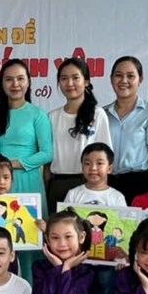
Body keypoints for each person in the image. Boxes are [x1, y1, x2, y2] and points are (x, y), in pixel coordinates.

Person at [63, 142, 125, 294]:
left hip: (106, 263)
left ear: (110, 168)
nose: (93, 168)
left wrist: (121, 258)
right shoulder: (74, 194)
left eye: (100, 163)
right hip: (79, 259)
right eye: (87, 163)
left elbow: (122, 231)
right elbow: (65, 224)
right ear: (82, 167)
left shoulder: (116, 197)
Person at [47, 57, 112, 209]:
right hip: (58, 184)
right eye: (64, 78)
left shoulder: (97, 114)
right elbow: (47, 162)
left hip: (88, 184)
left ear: (86, 81)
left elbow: (105, 156)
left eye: (75, 78)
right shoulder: (52, 117)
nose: (69, 83)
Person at [0, 58, 53, 210]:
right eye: (9, 79)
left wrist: (13, 164)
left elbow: (47, 153)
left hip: (28, 179)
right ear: (1, 84)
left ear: (28, 82)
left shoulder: (38, 114)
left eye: (20, 79)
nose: (15, 84)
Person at [105, 56, 148, 202]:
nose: (124, 80)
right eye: (118, 75)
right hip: (106, 183)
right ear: (111, 79)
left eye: (130, 76)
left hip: (139, 183)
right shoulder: (102, 114)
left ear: (140, 80)